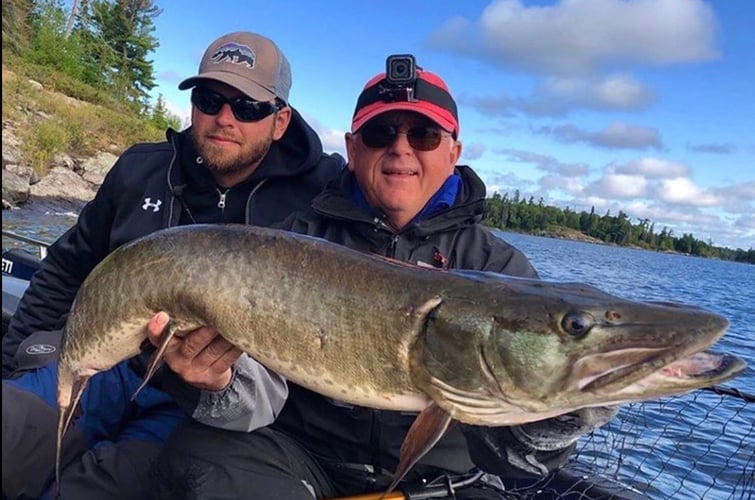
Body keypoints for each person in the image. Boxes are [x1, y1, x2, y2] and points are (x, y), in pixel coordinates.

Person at [149, 57, 618, 499]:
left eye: (424, 135)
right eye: (380, 133)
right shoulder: (293, 241)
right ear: (353, 149)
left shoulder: (500, 268)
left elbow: (515, 460)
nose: (400, 148)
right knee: (197, 460)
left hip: (444, 479)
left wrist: (558, 413)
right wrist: (216, 383)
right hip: (300, 455)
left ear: (453, 153)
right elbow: (258, 395)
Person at [1, 31, 344, 500]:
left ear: (280, 120)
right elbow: (66, 268)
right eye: (209, 99)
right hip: (103, 367)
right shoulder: (140, 169)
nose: (224, 118)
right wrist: (12, 360)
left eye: (247, 107)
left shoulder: (326, 195)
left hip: (201, 409)